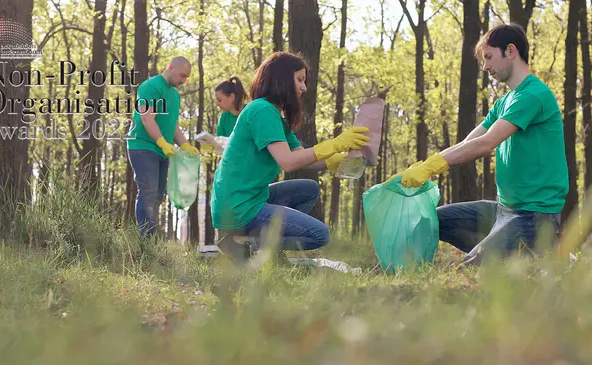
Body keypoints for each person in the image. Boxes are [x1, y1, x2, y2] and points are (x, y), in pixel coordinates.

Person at [388, 23, 569, 267]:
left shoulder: (533, 94)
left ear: (511, 51)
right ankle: (509, 249)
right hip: (503, 212)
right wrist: (423, 167)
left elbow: (487, 143)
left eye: (489, 57)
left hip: (535, 217)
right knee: (430, 219)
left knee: (469, 269)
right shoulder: (505, 101)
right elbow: (469, 142)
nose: (486, 67)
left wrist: (432, 166)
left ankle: (543, 249)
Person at [210, 51, 370, 264]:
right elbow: (288, 162)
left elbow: (300, 155)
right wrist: (334, 143)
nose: (304, 87)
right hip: (238, 209)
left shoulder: (275, 115)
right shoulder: (261, 110)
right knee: (320, 234)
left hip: (251, 197)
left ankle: (257, 245)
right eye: (300, 80)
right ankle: (243, 243)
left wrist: (336, 159)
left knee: (308, 189)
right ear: (282, 79)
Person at [127, 56, 200, 238]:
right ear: (171, 68)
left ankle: (150, 239)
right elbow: (146, 118)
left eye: (186, 78)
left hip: (163, 149)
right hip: (143, 146)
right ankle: (146, 241)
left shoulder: (174, 95)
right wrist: (160, 140)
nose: (183, 81)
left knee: (158, 195)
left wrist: (184, 144)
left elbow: (173, 125)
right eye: (182, 75)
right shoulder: (151, 87)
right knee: (148, 193)